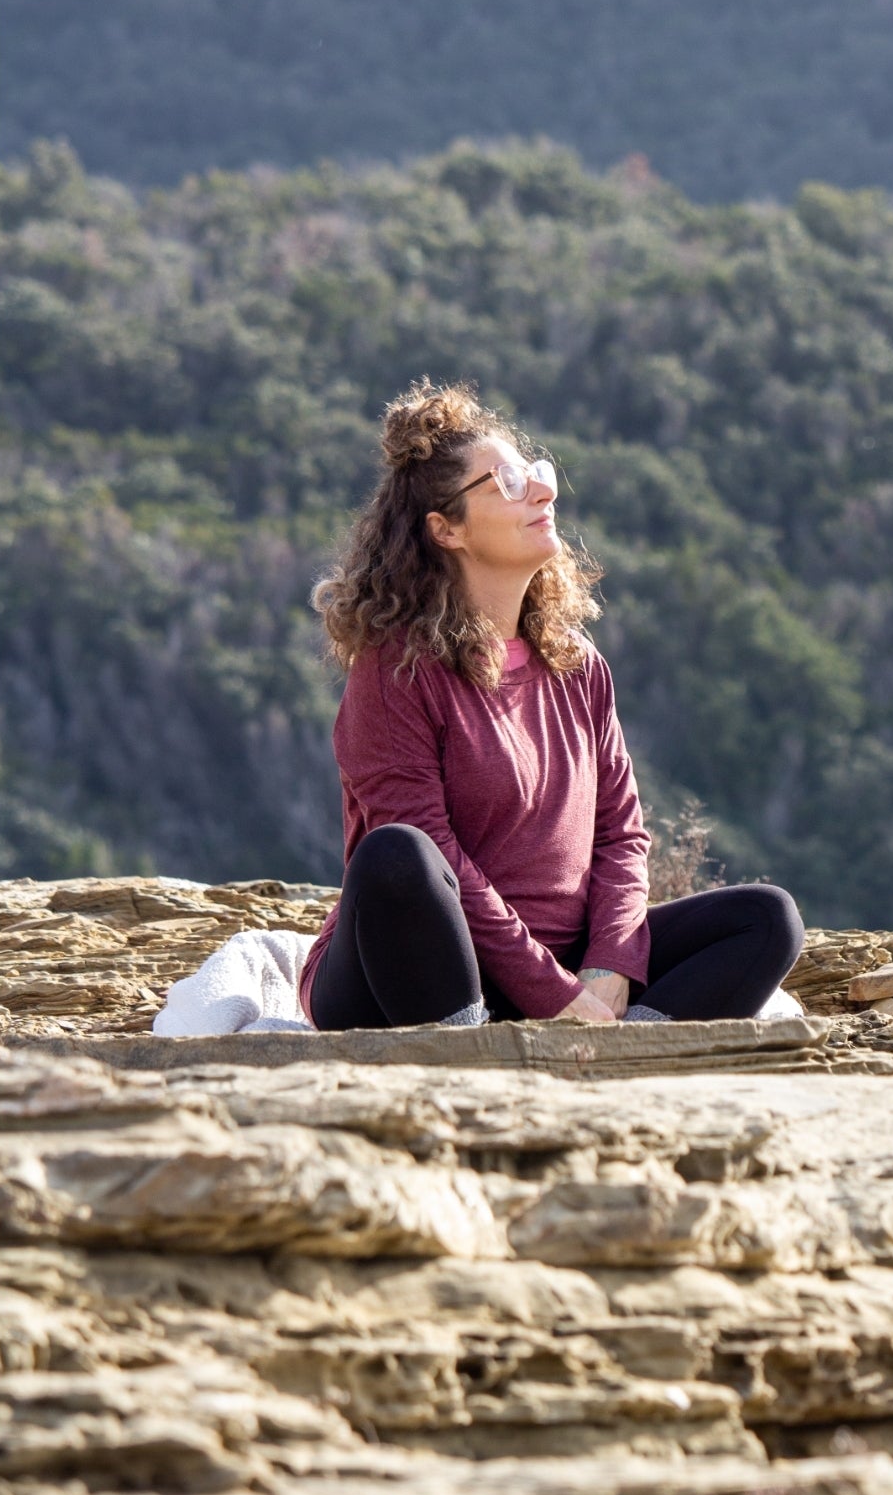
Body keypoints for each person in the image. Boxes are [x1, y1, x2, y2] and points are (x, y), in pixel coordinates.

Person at [299, 378, 804, 1031]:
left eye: (535, 472)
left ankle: (611, 1053)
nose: (543, 489)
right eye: (507, 483)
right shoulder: (395, 670)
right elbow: (435, 855)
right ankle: (474, 1043)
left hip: (566, 967)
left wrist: (609, 967)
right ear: (445, 529)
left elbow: (621, 834)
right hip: (415, 971)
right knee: (398, 854)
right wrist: (554, 998)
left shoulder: (577, 665)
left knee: (765, 919)